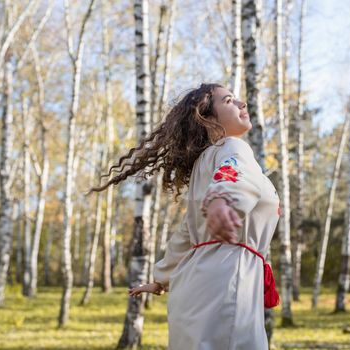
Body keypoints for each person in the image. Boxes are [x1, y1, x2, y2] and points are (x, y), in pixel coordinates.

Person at [88, 83, 280, 349]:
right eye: (229, 100)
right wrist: (222, 200)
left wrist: (161, 278)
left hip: (197, 285)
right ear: (207, 117)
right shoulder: (233, 148)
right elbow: (235, 178)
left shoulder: (207, 160)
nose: (241, 104)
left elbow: (187, 232)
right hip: (226, 281)